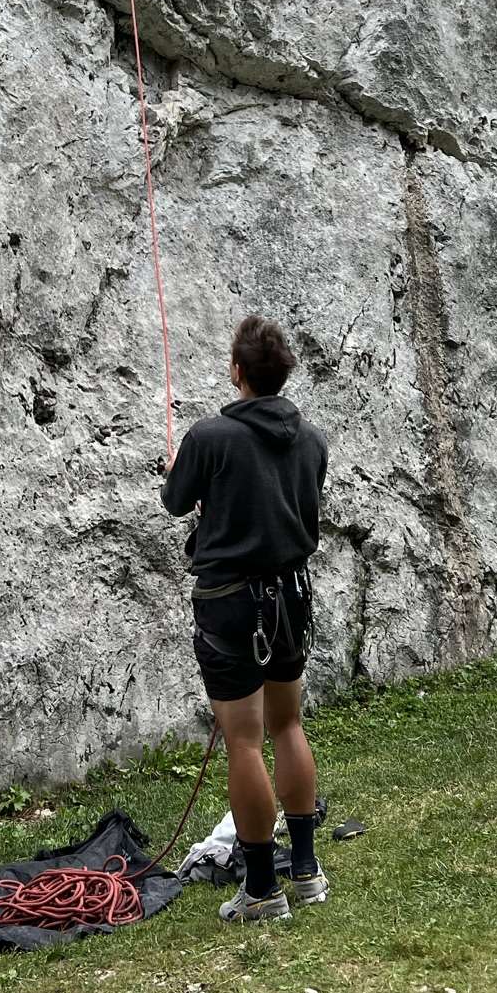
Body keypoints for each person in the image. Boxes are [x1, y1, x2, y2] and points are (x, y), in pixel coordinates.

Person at [160, 313, 329, 923]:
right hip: (290, 597)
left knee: (243, 742)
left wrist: (182, 468)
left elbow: (176, 502)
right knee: (288, 726)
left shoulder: (210, 437)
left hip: (231, 603)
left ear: (238, 373)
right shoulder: (312, 440)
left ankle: (261, 889)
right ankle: (306, 872)